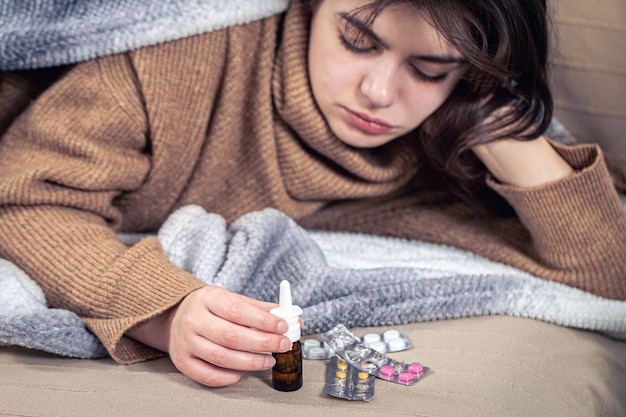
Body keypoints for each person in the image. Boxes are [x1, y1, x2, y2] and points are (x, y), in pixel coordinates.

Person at [0, 0, 624, 388]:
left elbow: (606, 271)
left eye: (428, 68)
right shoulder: (182, 53)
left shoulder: (435, 144)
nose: (379, 93)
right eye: (356, 40)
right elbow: (23, 195)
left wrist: (494, 115)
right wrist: (161, 307)